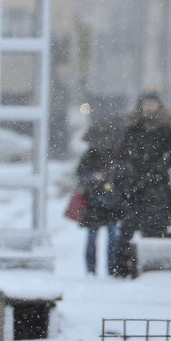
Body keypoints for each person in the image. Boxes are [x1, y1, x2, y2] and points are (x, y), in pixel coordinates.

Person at [118, 91, 171, 241]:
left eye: (152, 104)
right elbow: (122, 154)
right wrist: (129, 170)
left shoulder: (165, 129)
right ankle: (126, 263)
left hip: (158, 186)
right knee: (127, 232)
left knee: (156, 229)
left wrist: (159, 167)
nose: (149, 108)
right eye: (146, 104)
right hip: (133, 186)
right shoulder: (132, 129)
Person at [73, 118, 126, 276]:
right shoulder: (91, 155)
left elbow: (123, 175)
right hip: (96, 201)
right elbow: (81, 174)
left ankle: (107, 269)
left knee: (109, 238)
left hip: (108, 201)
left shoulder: (116, 156)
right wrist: (94, 177)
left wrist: (109, 178)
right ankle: (96, 270)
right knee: (99, 237)